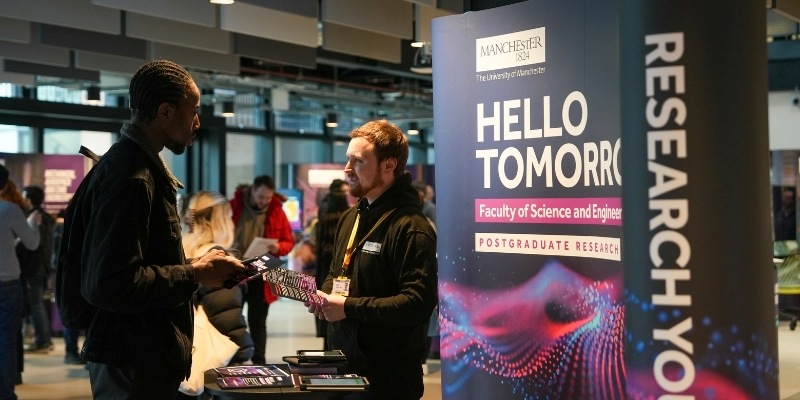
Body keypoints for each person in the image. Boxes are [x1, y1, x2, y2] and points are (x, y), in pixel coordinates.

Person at [56, 59, 245, 399]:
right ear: (165, 112)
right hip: (131, 360)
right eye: (193, 111)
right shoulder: (132, 177)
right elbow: (113, 283)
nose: (198, 122)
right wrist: (196, 273)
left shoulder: (133, 167)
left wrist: (193, 266)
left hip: (135, 355)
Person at [307, 120, 438, 399]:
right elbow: (335, 273)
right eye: (348, 160)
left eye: (358, 161)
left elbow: (417, 304)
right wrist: (326, 297)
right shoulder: (350, 218)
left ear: (389, 165)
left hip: (387, 380)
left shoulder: (412, 228)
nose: (347, 169)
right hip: (341, 367)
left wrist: (348, 307)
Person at [182, 190, 254, 364]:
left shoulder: (184, 251)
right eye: (228, 217)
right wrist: (244, 350)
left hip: (187, 350)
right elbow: (226, 316)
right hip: (218, 360)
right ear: (219, 222)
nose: (232, 223)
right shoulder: (218, 260)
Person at [230, 175, 294, 365]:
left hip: (261, 273)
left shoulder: (276, 210)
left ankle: (259, 362)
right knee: (233, 320)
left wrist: (278, 248)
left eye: (268, 198)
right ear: (252, 191)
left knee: (258, 322)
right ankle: (233, 361)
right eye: (261, 197)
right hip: (235, 270)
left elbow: (288, 242)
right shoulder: (234, 205)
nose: (264, 202)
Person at [0, 164, 41, 400]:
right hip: (8, 283)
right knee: (6, 340)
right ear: (5, 184)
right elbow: (33, 243)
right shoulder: (10, 210)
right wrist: (33, 223)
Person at [313, 183, 351, 349]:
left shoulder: (323, 213)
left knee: (323, 303)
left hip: (323, 268)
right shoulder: (347, 217)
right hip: (340, 271)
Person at [20, 186, 55, 354]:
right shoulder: (46, 216)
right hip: (42, 266)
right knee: (37, 304)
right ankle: (43, 340)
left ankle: (42, 341)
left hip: (33, 267)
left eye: (24, 197)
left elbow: (32, 245)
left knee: (35, 305)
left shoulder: (34, 216)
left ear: (29, 199)